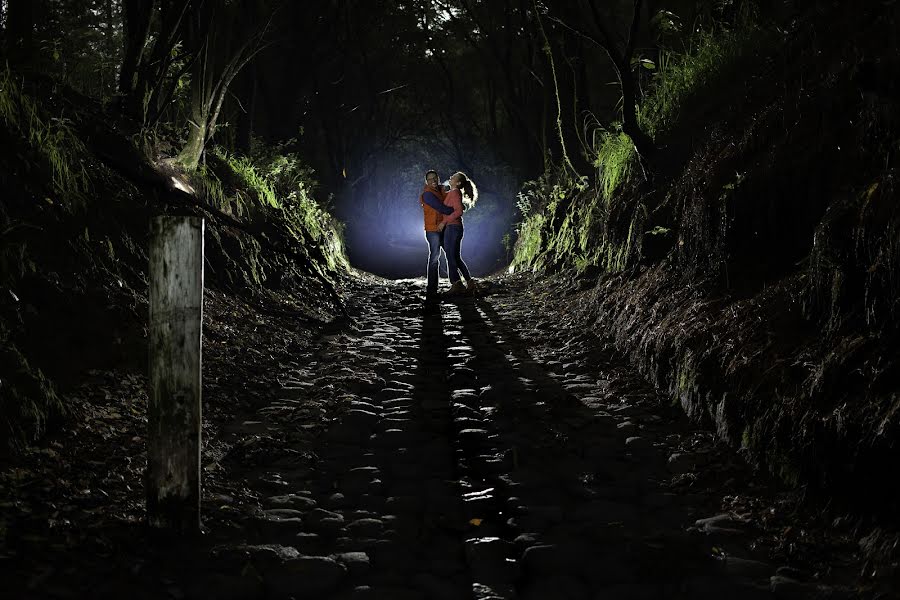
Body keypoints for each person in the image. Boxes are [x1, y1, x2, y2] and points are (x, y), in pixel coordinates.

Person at [440, 171, 478, 296]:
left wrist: (444, 221)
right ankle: (470, 282)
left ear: (458, 183)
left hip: (452, 228)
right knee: (455, 257)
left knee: (450, 256)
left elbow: (459, 211)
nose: (450, 178)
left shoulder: (455, 192)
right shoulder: (452, 193)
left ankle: (456, 284)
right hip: (454, 228)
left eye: (453, 177)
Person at [420, 169, 454, 301]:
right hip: (432, 230)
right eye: (430, 179)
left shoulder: (441, 190)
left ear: (438, 178)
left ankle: (457, 284)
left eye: (435, 178)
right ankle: (432, 290)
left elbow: (450, 199)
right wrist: (456, 210)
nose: (433, 180)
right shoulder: (427, 195)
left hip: (444, 227)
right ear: (426, 182)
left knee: (451, 254)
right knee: (434, 258)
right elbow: (442, 208)